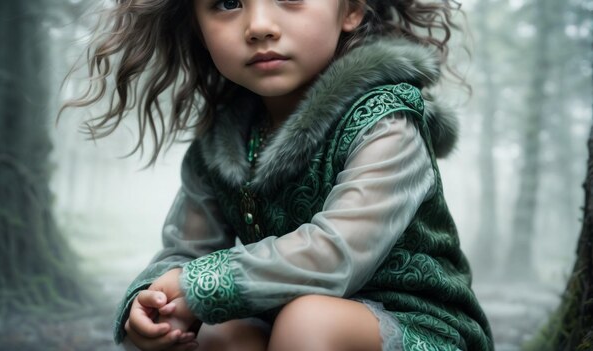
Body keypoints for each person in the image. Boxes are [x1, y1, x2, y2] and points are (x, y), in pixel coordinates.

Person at [67, 0, 494, 350]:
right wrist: (154, 304)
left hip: (421, 330)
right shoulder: (221, 142)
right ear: (197, 27)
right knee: (223, 332)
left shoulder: (386, 120)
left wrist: (198, 284)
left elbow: (335, 254)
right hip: (283, 327)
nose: (259, 25)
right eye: (228, 3)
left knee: (309, 322)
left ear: (351, 10)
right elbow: (184, 252)